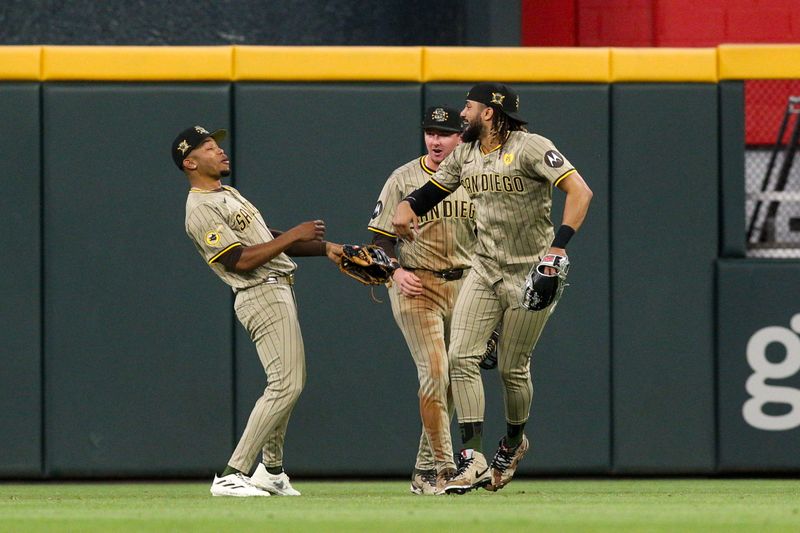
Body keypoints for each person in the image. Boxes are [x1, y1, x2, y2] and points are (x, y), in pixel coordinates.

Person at [391, 83, 593, 494]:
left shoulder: (532, 147)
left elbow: (580, 191)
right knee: (460, 357)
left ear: (489, 112)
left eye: (468, 106)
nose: (462, 114)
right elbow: (433, 190)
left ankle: (514, 444)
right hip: (484, 268)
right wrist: (408, 204)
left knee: (511, 369)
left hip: (531, 270)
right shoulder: (464, 153)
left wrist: (557, 250)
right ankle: (473, 458)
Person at [172, 125, 343, 497]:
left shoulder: (226, 193)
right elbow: (240, 260)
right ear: (190, 162)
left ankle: (272, 471)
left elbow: (267, 242)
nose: (220, 151)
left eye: (218, 145)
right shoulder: (199, 209)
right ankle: (232, 473)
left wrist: (328, 248)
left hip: (277, 289)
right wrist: (296, 233)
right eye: (209, 147)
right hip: (258, 292)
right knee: (287, 384)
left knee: (284, 383)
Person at [368, 106, 475, 495]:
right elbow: (379, 239)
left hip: (465, 284)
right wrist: (394, 271)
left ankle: (423, 469)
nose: (435, 140)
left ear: (460, 138)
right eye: (430, 132)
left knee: (450, 379)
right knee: (434, 371)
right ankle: (446, 469)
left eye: (444, 133)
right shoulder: (404, 178)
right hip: (417, 285)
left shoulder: (475, 176)